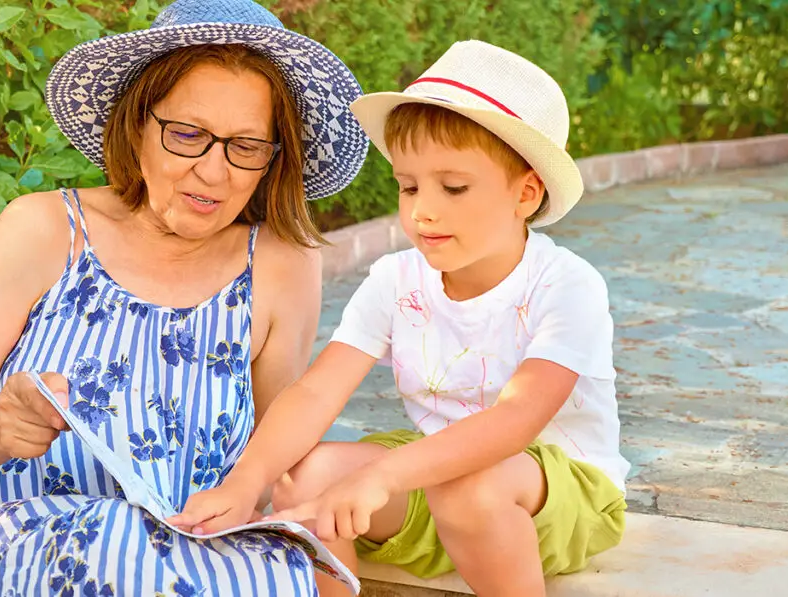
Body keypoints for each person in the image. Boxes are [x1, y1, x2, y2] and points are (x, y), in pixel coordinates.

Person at [0, 0, 368, 594]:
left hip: (169, 567)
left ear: (272, 160)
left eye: (246, 146)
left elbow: (282, 461)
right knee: (111, 542)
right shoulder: (44, 230)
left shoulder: (281, 264)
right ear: (136, 124)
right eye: (188, 134)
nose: (214, 171)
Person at [171, 40, 630, 597]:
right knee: (305, 478)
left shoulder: (565, 283)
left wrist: (382, 476)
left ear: (526, 194)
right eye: (408, 186)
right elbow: (317, 392)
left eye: (453, 187)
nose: (421, 210)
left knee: (469, 487)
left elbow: (516, 422)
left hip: (559, 496)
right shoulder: (396, 279)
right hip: (435, 484)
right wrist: (248, 482)